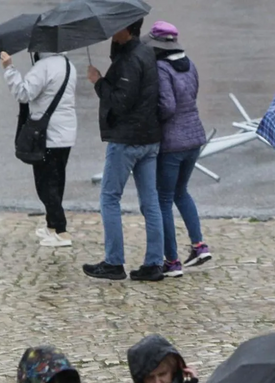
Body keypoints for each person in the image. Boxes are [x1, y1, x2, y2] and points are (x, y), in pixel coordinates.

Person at [84, 18, 165, 282]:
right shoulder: (143, 52)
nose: (108, 29)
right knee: (150, 201)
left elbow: (120, 102)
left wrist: (98, 81)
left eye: (113, 26)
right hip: (149, 138)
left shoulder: (131, 60)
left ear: (126, 28)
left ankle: (113, 263)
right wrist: (115, 47)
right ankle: (153, 263)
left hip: (128, 140)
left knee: (109, 197)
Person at [142, 21, 211, 278]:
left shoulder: (161, 68)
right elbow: (191, 96)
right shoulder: (189, 64)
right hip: (195, 137)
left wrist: (153, 117)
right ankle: (199, 245)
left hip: (172, 143)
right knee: (181, 192)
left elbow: (168, 106)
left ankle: (172, 260)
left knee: (163, 200)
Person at [2, 50, 77, 248]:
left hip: (48, 134)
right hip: (66, 132)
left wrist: (9, 68)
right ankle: (52, 227)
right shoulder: (68, 64)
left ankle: (61, 231)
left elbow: (23, 93)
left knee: (45, 184)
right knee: (57, 180)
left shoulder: (43, 66)